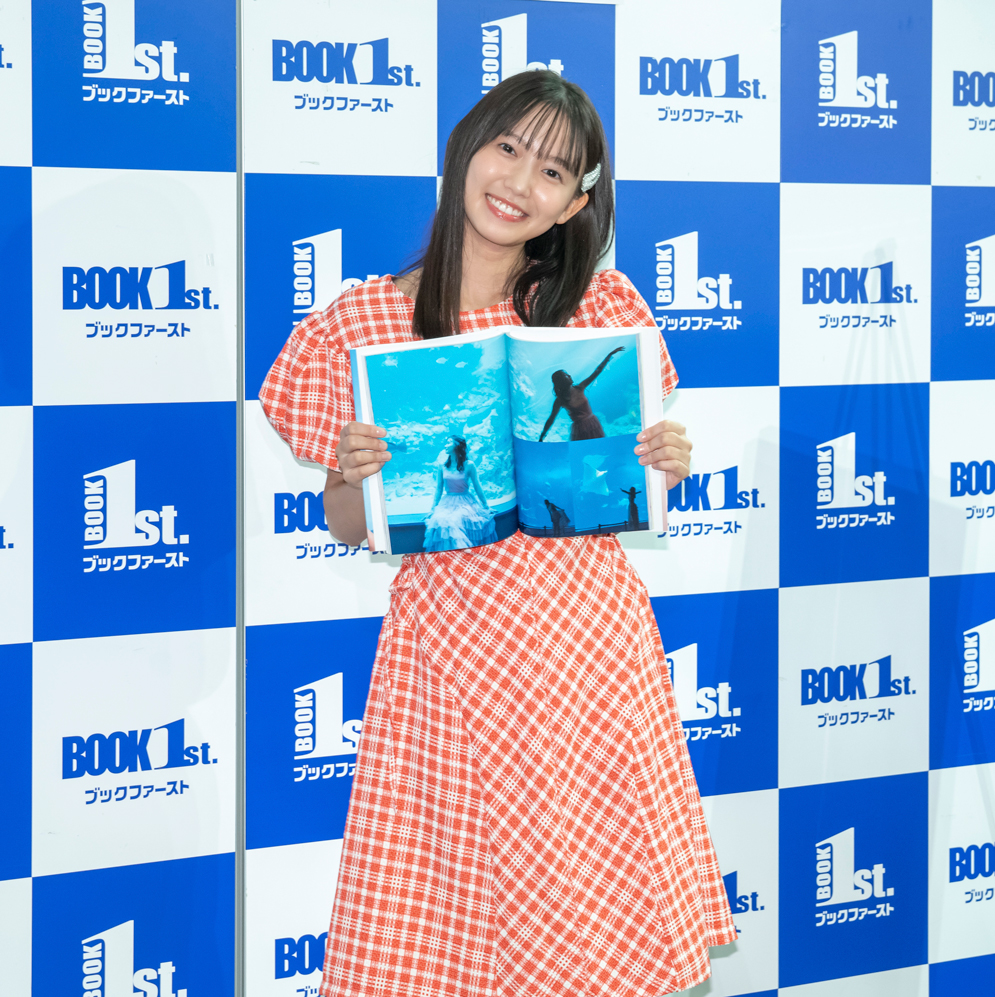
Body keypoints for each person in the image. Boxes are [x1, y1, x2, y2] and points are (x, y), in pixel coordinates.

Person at [260, 69, 733, 997]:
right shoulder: (363, 320)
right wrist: (355, 472)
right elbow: (347, 523)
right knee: (453, 923)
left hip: (589, 649)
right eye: (507, 148)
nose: (519, 182)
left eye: (552, 172)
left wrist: (660, 459)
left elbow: (624, 478)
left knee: (599, 910)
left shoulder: (600, 309)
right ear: (465, 149)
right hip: (451, 654)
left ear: (575, 204)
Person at [422, 436, 497, 551]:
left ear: (457, 445)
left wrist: (486, 506)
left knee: (455, 520)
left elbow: (477, 486)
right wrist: (433, 509)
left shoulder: (469, 465)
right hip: (447, 502)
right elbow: (439, 489)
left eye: (448, 442)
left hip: (465, 502)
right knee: (440, 519)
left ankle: (462, 554)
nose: (445, 445)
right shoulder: (442, 466)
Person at [538, 346, 623, 441]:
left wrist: (609, 355)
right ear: (561, 381)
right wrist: (542, 436)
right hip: (580, 430)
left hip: (593, 424)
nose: (569, 376)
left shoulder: (580, 387)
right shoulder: (560, 400)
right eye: (566, 375)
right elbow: (551, 419)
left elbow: (597, 371)